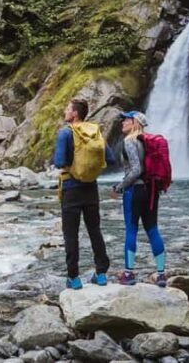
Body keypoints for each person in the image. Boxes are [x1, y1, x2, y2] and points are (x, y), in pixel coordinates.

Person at [53, 98, 115, 289]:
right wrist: (90, 169)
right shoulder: (94, 132)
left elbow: (58, 161)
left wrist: (72, 167)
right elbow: (111, 159)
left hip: (71, 188)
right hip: (91, 188)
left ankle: (74, 277)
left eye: (67, 109)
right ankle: (101, 274)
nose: (65, 112)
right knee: (95, 231)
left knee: (71, 235)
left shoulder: (66, 132)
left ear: (74, 114)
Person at [111, 111, 167, 287]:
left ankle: (128, 274)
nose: (123, 123)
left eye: (126, 120)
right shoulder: (146, 142)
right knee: (152, 230)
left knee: (131, 230)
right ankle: (161, 275)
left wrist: (119, 187)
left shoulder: (130, 141)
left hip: (135, 191)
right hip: (150, 190)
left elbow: (136, 170)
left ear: (135, 123)